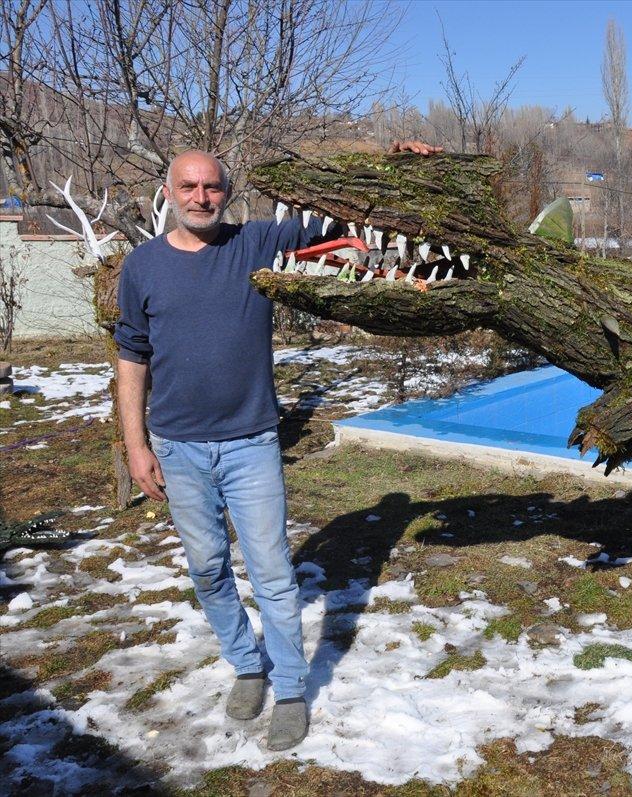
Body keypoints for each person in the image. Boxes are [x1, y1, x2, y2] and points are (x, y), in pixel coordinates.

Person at [115, 140, 441, 751]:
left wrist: (397, 162)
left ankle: (290, 688)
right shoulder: (142, 266)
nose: (201, 197)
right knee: (208, 568)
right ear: (167, 194)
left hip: (250, 444)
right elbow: (132, 355)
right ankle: (246, 664)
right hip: (179, 447)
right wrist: (137, 445)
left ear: (227, 193)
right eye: (188, 187)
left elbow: (344, 216)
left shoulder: (256, 243)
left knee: (271, 572)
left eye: (212, 187)